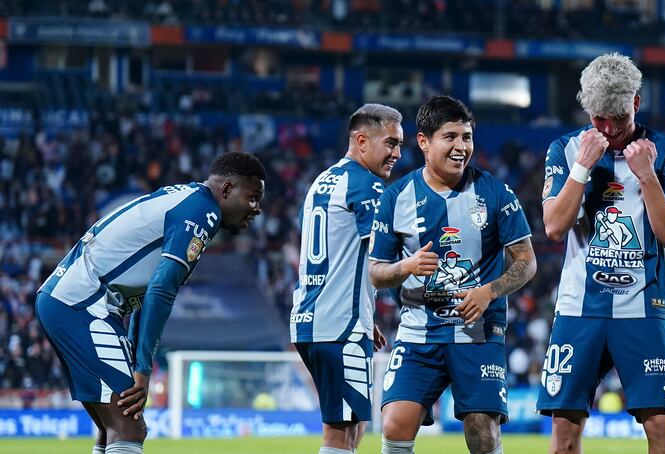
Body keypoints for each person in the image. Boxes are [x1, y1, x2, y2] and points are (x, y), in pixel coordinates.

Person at [36, 152, 266, 454]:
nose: (257, 209)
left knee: (112, 429)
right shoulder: (202, 212)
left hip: (70, 302)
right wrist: (143, 371)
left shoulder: (188, 199)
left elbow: (147, 293)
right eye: (252, 198)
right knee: (129, 425)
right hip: (82, 305)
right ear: (226, 190)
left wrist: (136, 359)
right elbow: (160, 289)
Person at [537, 53, 665, 454]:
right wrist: (582, 168)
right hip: (578, 310)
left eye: (617, 118)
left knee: (661, 431)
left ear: (636, 103)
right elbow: (554, 227)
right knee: (564, 438)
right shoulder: (567, 149)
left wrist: (648, 176)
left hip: (642, 308)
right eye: (598, 118)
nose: (607, 129)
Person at [369, 95, 537, 454]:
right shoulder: (396, 197)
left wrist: (488, 292)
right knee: (395, 422)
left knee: (482, 430)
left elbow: (526, 260)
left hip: (478, 333)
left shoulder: (495, 192)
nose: (462, 147)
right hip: (418, 332)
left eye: (467, 137)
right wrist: (405, 267)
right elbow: (376, 273)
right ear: (424, 141)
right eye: (451, 137)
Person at [291, 104, 403, 454]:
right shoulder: (365, 185)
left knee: (353, 428)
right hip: (338, 326)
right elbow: (382, 259)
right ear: (361, 140)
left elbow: (340, 255)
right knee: (341, 437)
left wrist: (364, 313)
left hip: (315, 318)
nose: (397, 154)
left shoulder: (325, 180)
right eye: (390, 143)